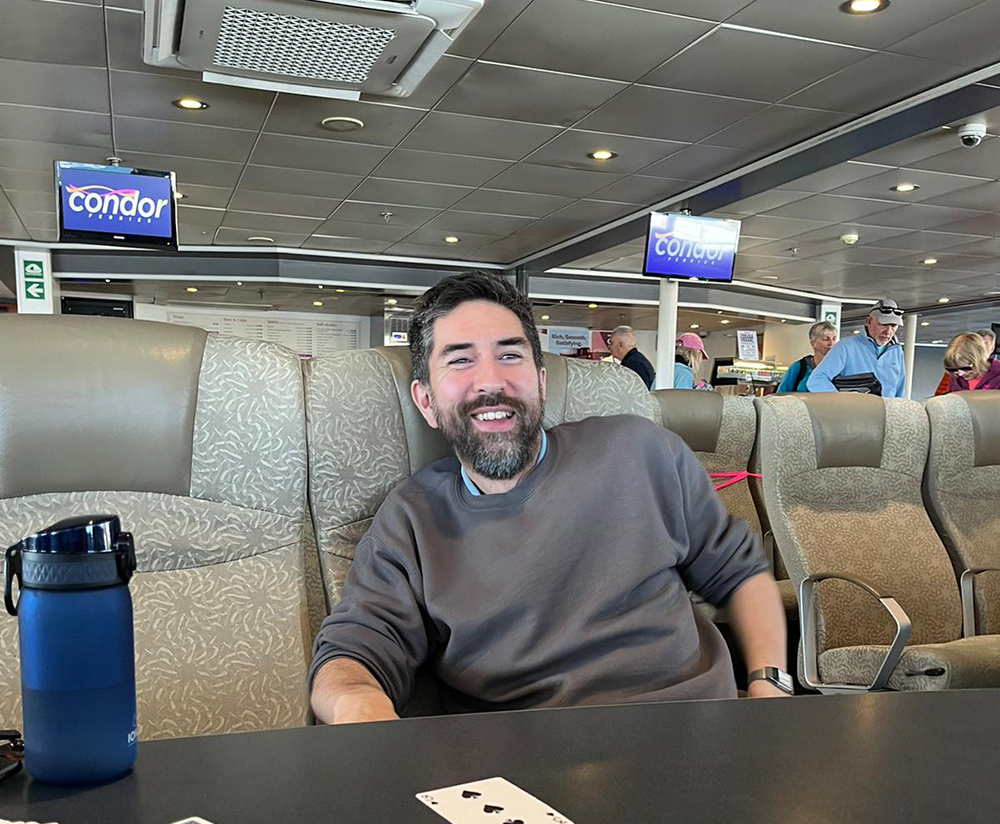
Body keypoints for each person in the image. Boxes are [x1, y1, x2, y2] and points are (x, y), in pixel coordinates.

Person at [309, 270, 788, 725]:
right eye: (460, 360)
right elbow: (353, 650)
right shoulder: (412, 518)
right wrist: (358, 707)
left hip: (700, 730)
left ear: (540, 382)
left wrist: (770, 685)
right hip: (527, 763)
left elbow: (741, 573)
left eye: (510, 355)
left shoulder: (641, 451)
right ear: (426, 401)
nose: (491, 381)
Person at [807, 299, 905, 396]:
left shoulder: (896, 351)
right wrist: (842, 401)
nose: (888, 332)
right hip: (853, 406)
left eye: (893, 326)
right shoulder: (845, 347)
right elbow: (816, 379)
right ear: (869, 321)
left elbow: (899, 391)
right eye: (883, 325)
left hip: (887, 406)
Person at [776, 321, 837, 393]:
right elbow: (781, 394)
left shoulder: (840, 369)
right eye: (826, 339)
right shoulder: (799, 367)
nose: (831, 343)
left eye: (834, 339)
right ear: (813, 343)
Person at [935, 328, 998, 395]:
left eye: (965, 368)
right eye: (953, 369)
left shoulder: (997, 376)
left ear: (978, 360)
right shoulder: (955, 375)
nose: (960, 374)